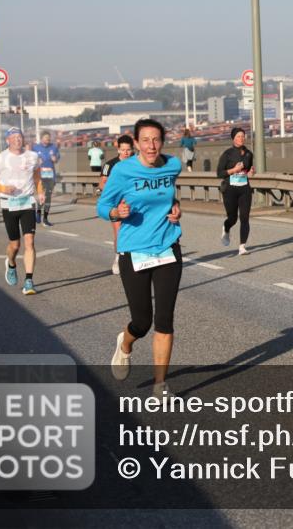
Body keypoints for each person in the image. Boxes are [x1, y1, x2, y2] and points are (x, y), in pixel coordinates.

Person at [98, 119, 183, 397]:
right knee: (142, 322)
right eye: (145, 140)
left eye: (156, 139)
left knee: (165, 319)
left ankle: (160, 384)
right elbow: (103, 205)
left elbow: (169, 194)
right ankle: (125, 343)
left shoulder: (173, 165)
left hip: (167, 246)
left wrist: (176, 208)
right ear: (135, 143)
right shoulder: (123, 170)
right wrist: (116, 214)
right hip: (134, 251)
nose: (151, 146)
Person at [0, 127, 45, 295]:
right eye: (14, 137)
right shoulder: (1, 158)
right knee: (15, 245)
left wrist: (40, 192)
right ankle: (11, 264)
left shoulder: (32, 156)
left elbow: (37, 177)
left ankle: (29, 281)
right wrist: (3, 188)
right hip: (9, 204)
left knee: (30, 242)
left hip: (27, 203)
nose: (18, 140)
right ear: (8, 141)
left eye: (20, 136)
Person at [99, 134, 136, 274]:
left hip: (133, 203)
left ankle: (135, 258)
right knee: (119, 232)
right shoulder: (110, 165)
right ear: (118, 150)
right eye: (123, 150)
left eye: (128, 150)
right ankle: (118, 258)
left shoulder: (137, 162)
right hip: (116, 204)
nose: (126, 153)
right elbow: (102, 184)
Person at [217, 127, 255, 256]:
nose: (241, 138)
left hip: (244, 188)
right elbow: (219, 173)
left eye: (243, 136)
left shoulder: (249, 154)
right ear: (233, 138)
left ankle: (242, 246)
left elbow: (248, 169)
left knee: (244, 217)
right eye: (238, 136)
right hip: (230, 189)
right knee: (232, 218)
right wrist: (233, 170)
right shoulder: (227, 154)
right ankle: (226, 228)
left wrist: (250, 172)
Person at [32, 131, 61, 226]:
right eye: (45, 138)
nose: (47, 140)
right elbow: (30, 160)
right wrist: (37, 161)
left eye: (48, 138)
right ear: (41, 138)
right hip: (40, 175)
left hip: (50, 175)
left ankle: (45, 219)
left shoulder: (53, 147)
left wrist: (55, 159)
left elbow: (57, 158)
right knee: (42, 196)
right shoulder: (35, 148)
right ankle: (38, 213)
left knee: (48, 197)